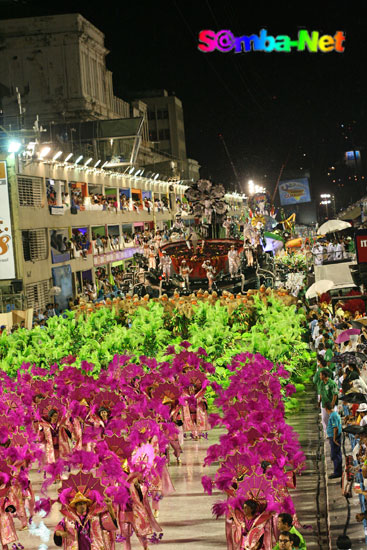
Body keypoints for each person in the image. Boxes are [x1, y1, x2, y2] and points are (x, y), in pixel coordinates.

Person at [324, 402, 342, 479]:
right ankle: (337, 471)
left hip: (335, 437)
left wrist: (334, 438)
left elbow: (335, 428)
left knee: (335, 455)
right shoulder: (334, 414)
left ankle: (337, 472)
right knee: (336, 453)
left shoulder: (333, 415)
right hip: (333, 436)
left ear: (326, 409)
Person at [319, 368, 338, 435]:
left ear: (324, 376)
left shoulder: (332, 383)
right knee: (324, 419)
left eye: (320, 375)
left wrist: (332, 403)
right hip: (324, 404)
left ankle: (334, 432)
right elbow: (321, 393)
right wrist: (319, 402)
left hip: (330, 404)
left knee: (332, 418)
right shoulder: (321, 383)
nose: (320, 376)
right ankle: (327, 432)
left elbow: (335, 394)